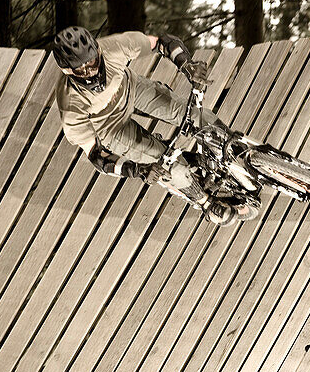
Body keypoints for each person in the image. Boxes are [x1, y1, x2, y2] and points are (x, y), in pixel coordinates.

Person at [51, 25, 257, 226]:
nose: (91, 70)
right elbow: (97, 156)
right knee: (172, 170)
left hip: (131, 89)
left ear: (97, 49)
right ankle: (206, 203)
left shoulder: (113, 46)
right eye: (82, 69)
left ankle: (240, 153)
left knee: (198, 118)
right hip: (110, 127)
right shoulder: (70, 105)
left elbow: (162, 42)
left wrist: (187, 65)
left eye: (94, 61)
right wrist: (138, 170)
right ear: (67, 71)